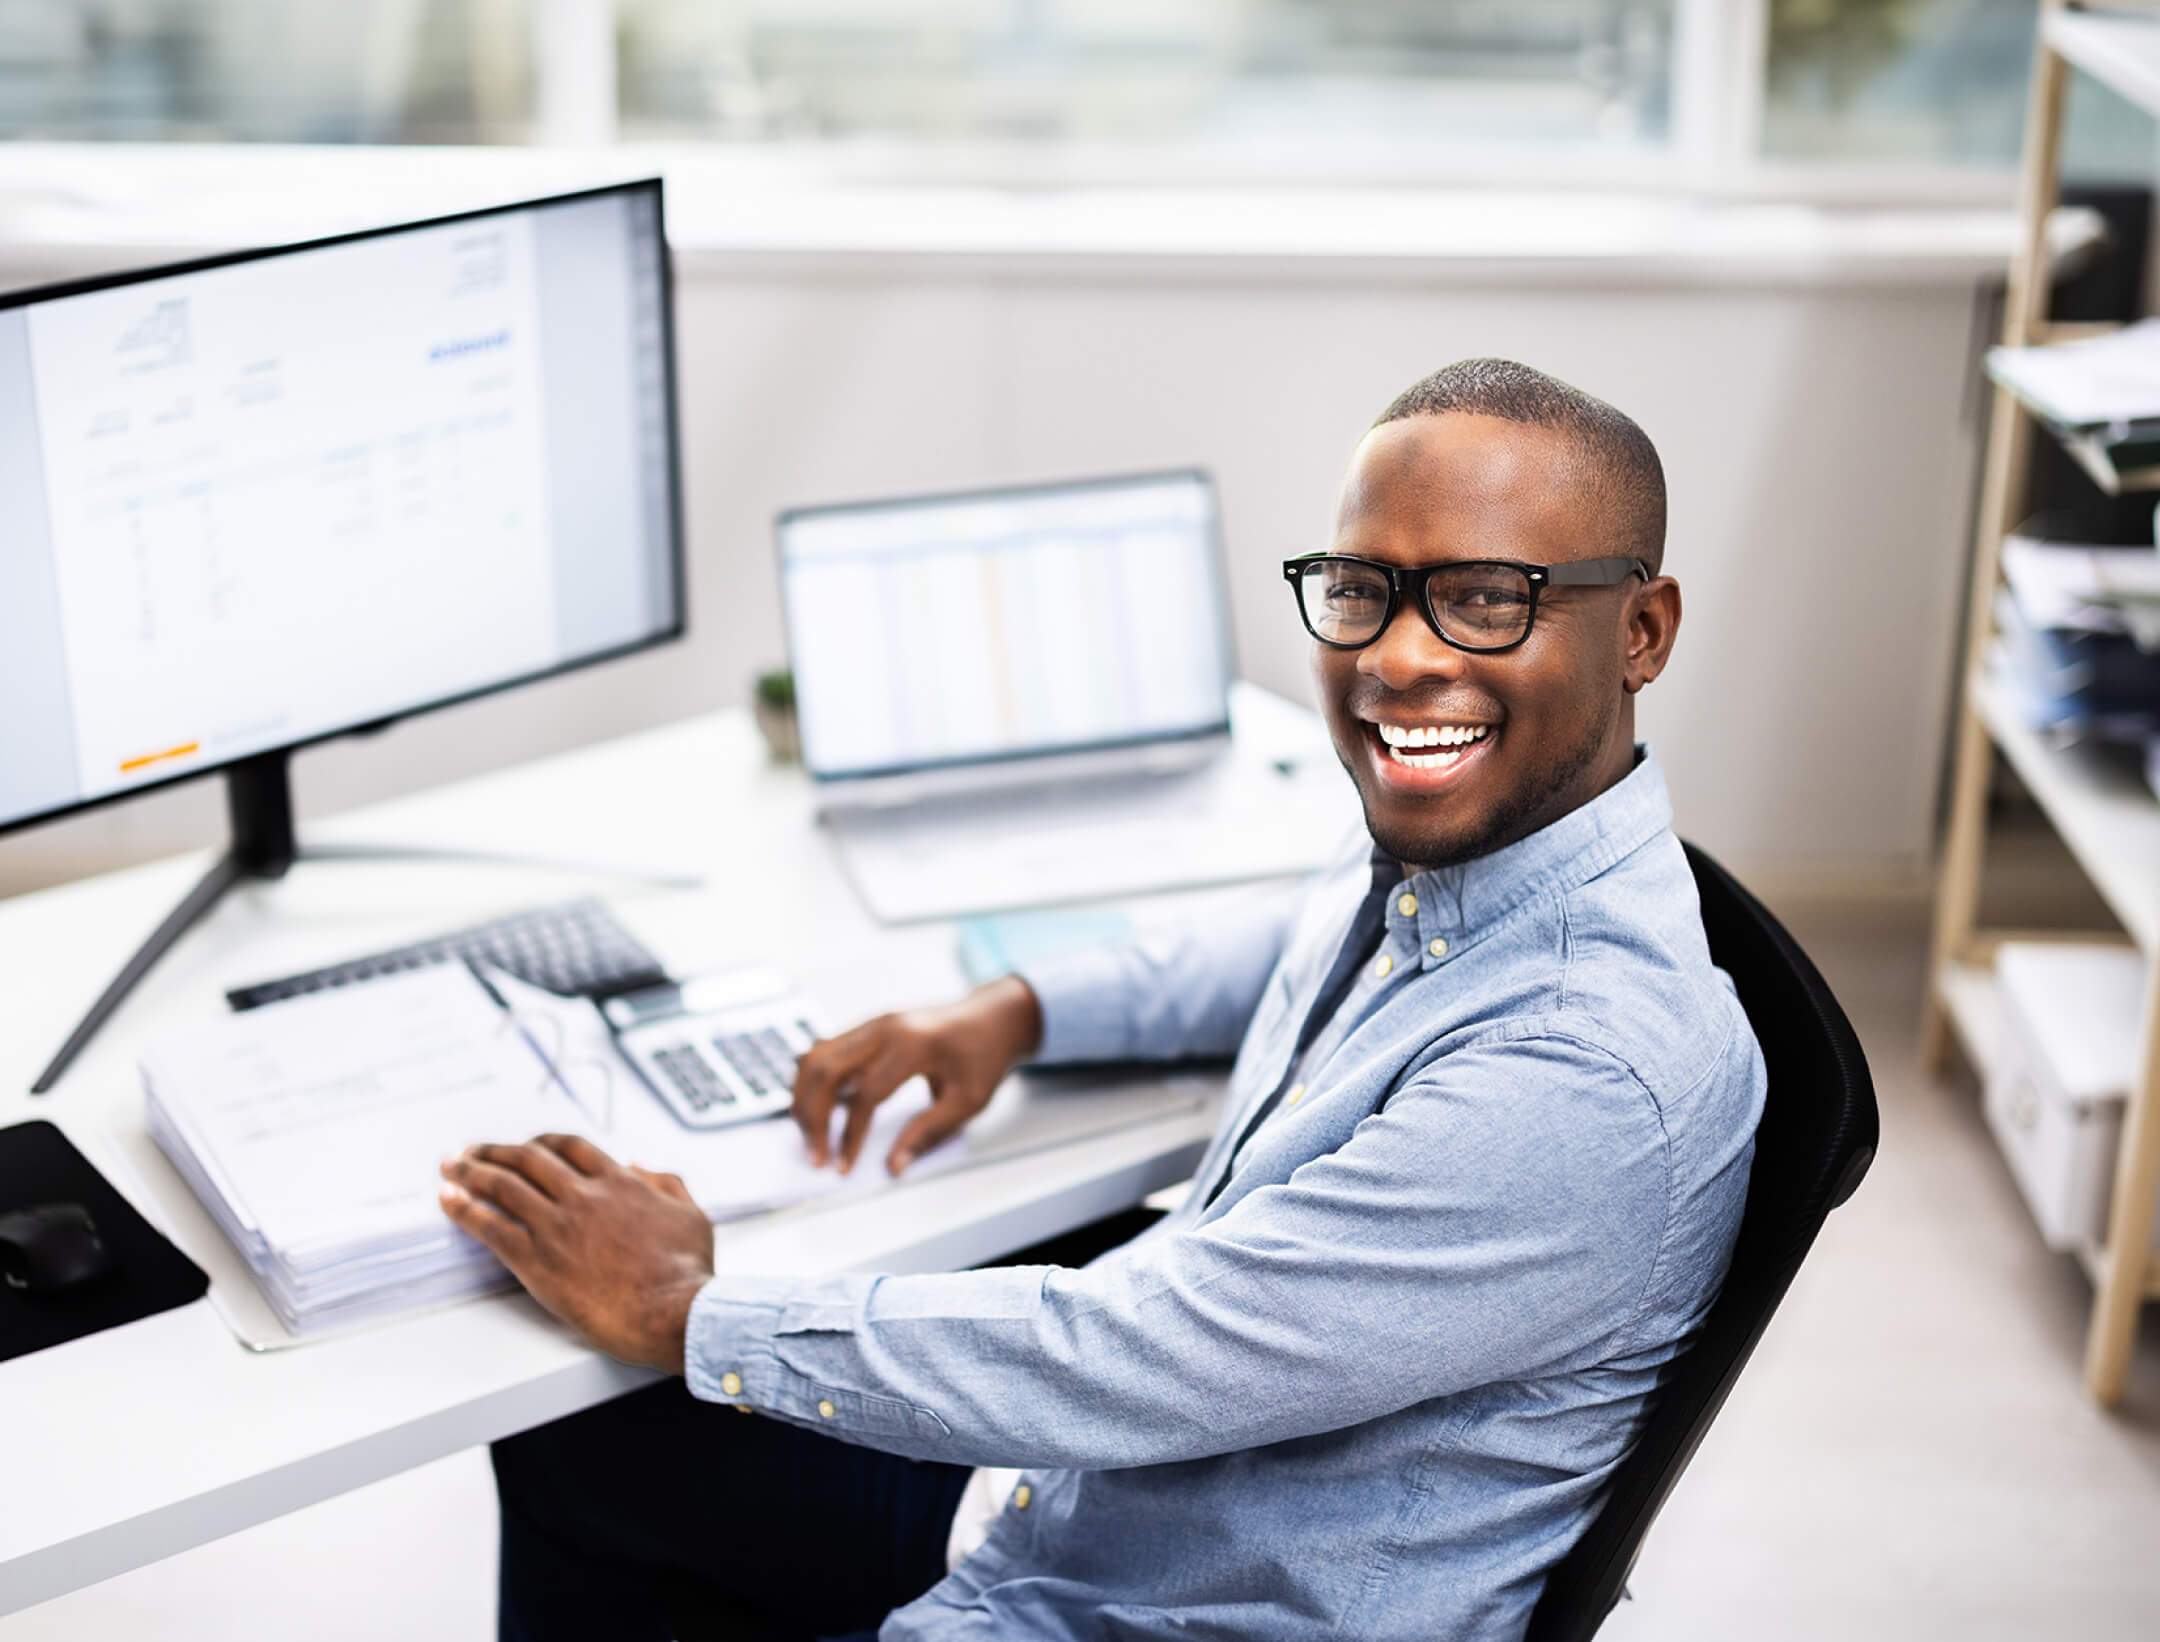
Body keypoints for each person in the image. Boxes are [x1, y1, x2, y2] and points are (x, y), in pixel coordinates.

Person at [439, 357, 1767, 1642]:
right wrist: (1015, 1011)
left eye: (1487, 598)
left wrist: (693, 1305)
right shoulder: (1481, 863)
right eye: (1365, 590)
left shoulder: (1577, 1071)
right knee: (575, 1441)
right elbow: (1291, 937)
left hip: (1160, 1600)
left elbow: (1137, 1352)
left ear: (1641, 629)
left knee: (654, 1376)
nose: (1401, 657)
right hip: (1084, 1521)